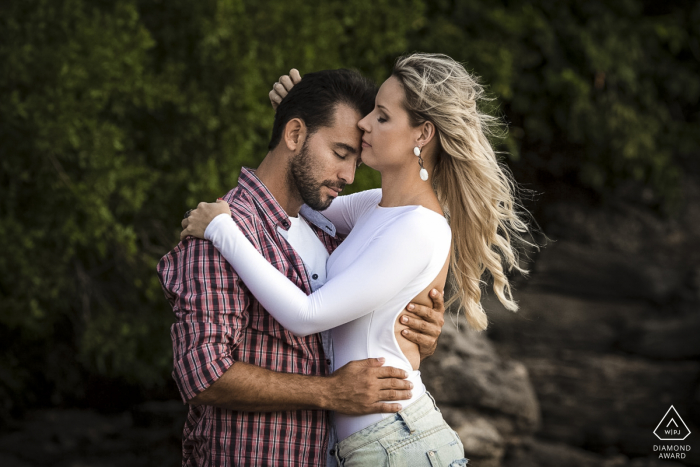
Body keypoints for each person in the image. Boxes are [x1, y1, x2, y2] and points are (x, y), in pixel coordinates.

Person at [182, 53, 531, 466]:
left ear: (422, 134)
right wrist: (297, 118)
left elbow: (308, 313)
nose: (365, 124)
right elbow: (301, 197)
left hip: (395, 444)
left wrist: (223, 230)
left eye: (381, 117)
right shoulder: (372, 209)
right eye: (369, 117)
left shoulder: (420, 228)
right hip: (363, 446)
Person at [157, 67, 448, 467]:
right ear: (294, 135)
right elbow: (203, 372)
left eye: (355, 161)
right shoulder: (222, 232)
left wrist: (416, 334)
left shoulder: (328, 226)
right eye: (341, 154)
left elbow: (368, 309)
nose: (348, 176)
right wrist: (328, 392)